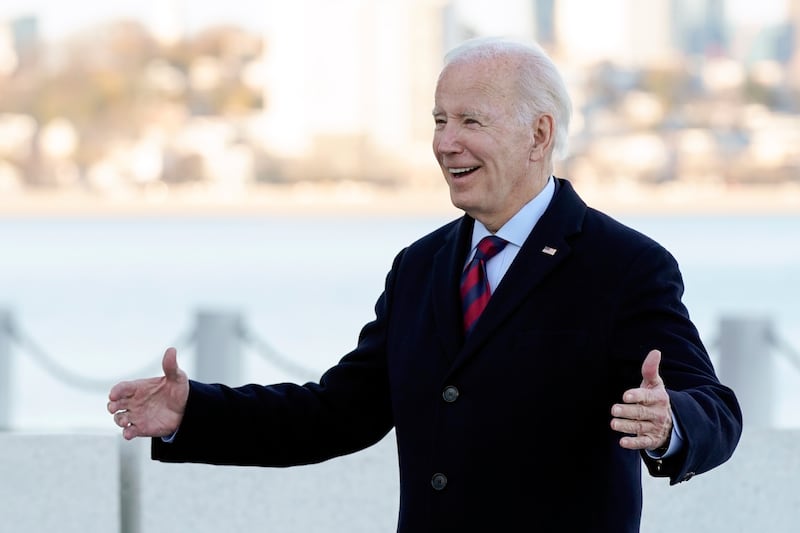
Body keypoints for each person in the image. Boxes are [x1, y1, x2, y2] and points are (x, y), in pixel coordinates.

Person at [108, 36, 742, 532]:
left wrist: (669, 425)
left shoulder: (623, 265)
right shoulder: (420, 265)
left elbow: (714, 409)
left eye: (470, 121)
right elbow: (338, 412)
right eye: (439, 120)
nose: (445, 143)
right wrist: (191, 413)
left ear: (539, 134)